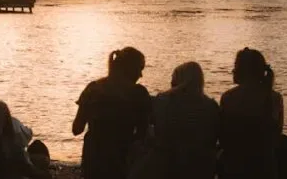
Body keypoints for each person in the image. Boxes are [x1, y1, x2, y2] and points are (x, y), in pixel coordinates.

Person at [72, 47, 152, 179]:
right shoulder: (138, 93)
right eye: (140, 69)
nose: (141, 75)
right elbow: (142, 134)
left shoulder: (93, 88)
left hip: (93, 157)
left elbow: (77, 129)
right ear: (130, 69)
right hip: (121, 158)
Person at [219, 48, 284, 179]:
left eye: (235, 66)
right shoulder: (275, 98)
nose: (233, 70)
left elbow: (223, 136)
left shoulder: (229, 97)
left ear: (242, 71)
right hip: (265, 166)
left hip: (234, 166)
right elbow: (277, 133)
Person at [152, 61, 220, 179]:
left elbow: (158, 130)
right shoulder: (210, 106)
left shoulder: (162, 101)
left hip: (167, 164)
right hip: (200, 167)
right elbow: (213, 137)